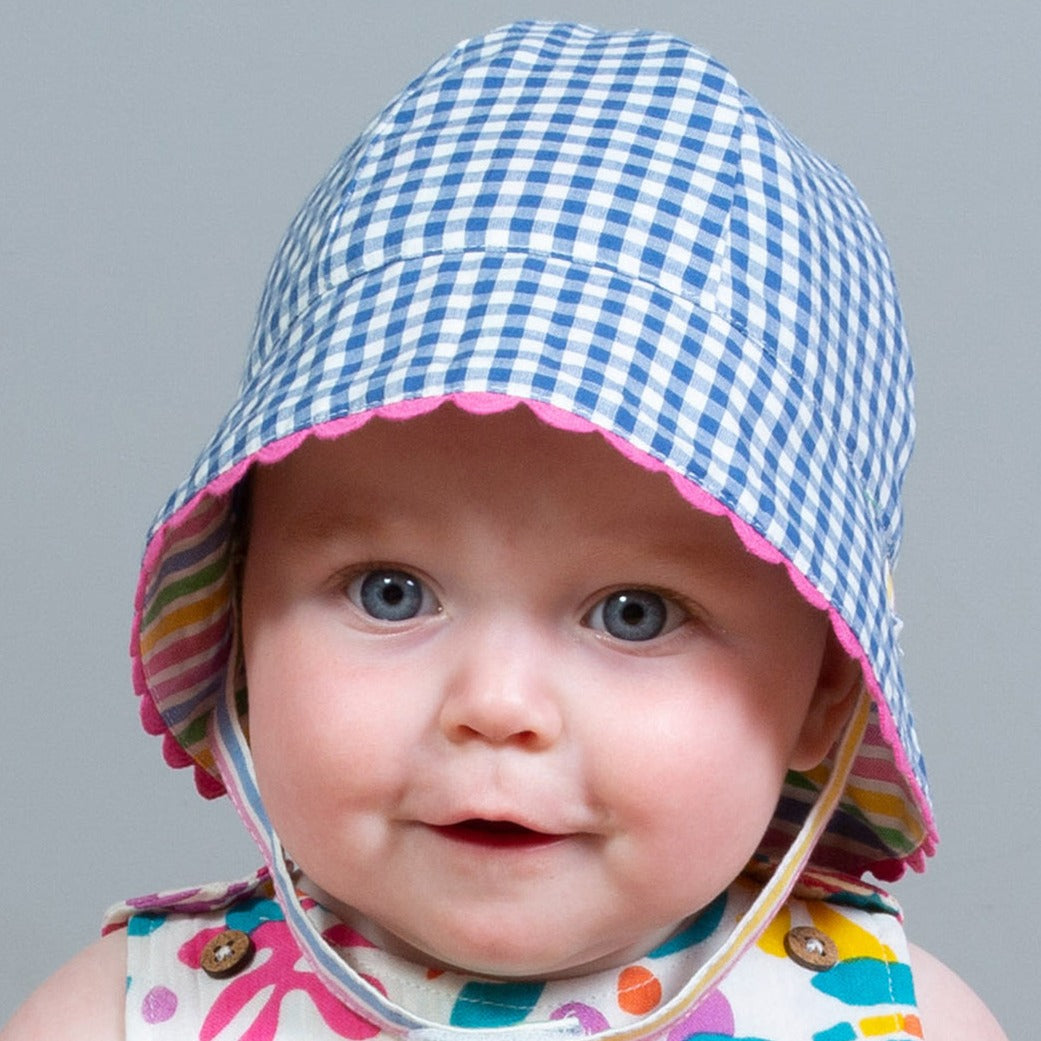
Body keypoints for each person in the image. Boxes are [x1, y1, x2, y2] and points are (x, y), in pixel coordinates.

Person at [2, 21, 1007, 1041]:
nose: (496, 706)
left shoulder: (894, 1025)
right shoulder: (116, 1022)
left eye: (634, 613)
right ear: (240, 608)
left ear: (827, 686)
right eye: (389, 590)